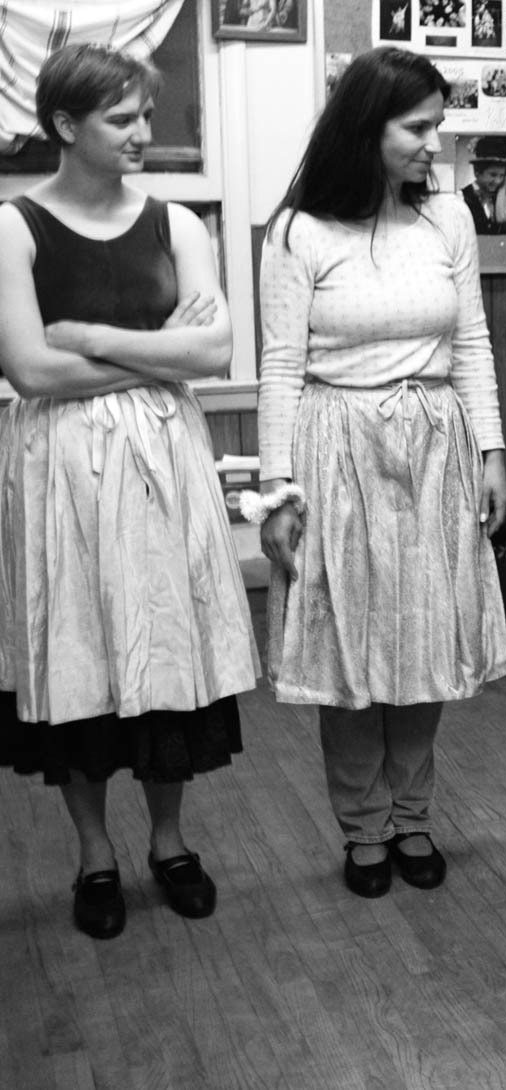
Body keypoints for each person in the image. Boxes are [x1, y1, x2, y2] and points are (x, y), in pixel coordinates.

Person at [0, 44, 259, 939]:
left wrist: (91, 336)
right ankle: (93, 855)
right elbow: (31, 370)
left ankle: (169, 842)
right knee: (81, 657)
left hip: (162, 466)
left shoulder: (176, 223)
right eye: (123, 119)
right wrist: (150, 354)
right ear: (67, 126)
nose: (145, 134)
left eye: (148, 116)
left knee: (165, 659)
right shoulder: (14, 227)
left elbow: (214, 354)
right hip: (61, 468)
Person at [256, 46, 506, 899]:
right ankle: (363, 829)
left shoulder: (446, 220)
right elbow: (280, 368)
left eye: (438, 126)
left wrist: (492, 452)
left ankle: (413, 818)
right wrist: (279, 490)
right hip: (339, 451)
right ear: (366, 127)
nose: (433, 144)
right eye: (418, 127)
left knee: (425, 641)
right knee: (352, 651)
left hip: (436, 442)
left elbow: (472, 341)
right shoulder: (297, 231)